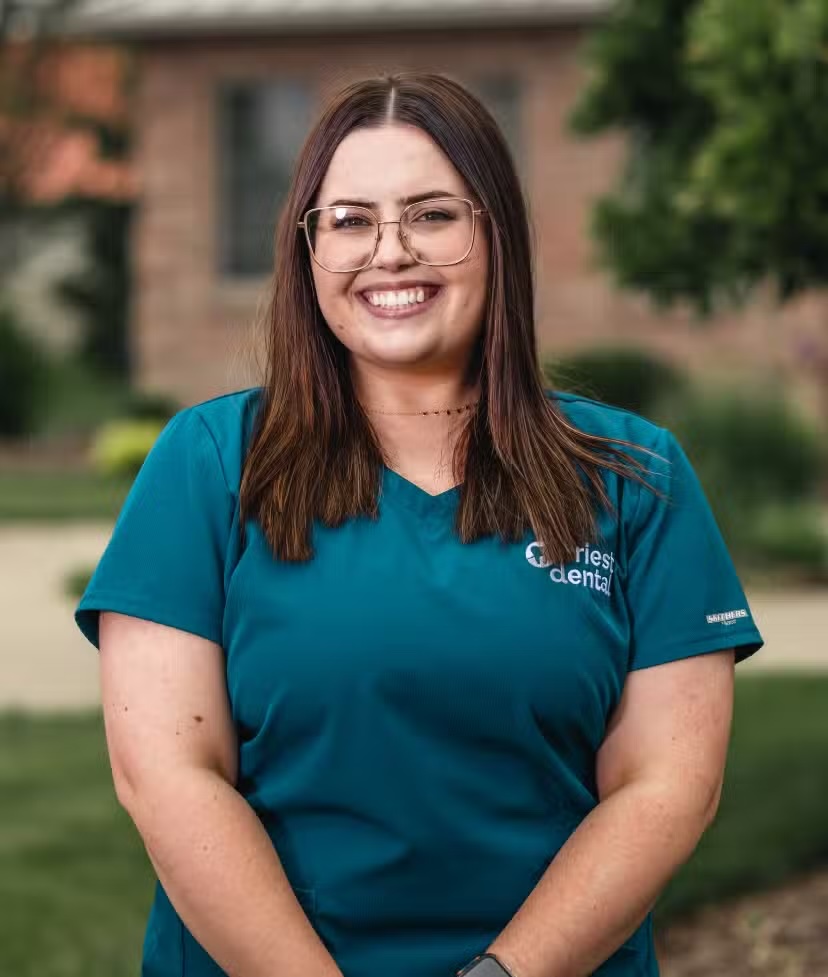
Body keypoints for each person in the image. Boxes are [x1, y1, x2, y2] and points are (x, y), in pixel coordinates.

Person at [74, 71, 765, 977]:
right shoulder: (207, 461)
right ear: (308, 248)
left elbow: (668, 785)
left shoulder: (634, 475)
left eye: (433, 215)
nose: (389, 252)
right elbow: (167, 776)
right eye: (351, 220)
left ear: (496, 235)